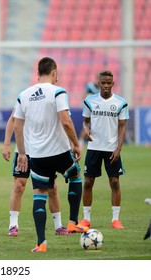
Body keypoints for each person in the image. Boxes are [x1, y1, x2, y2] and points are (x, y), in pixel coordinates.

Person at [13, 57, 87, 253]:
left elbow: (18, 128)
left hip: (36, 155)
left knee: (39, 194)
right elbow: (66, 121)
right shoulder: (58, 91)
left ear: (38, 74)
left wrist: (22, 153)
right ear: (54, 73)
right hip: (59, 151)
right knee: (75, 175)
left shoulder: (23, 95)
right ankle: (72, 222)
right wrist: (76, 144)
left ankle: (41, 243)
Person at [2, 108, 70, 237]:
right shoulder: (24, 98)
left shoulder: (49, 100)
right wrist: (6, 143)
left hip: (43, 150)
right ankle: (13, 225)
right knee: (18, 186)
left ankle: (58, 226)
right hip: (23, 149)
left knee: (52, 188)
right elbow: (13, 119)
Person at [79, 70, 129, 229]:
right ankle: (86, 219)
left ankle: (115, 220)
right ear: (98, 83)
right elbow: (86, 122)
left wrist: (118, 148)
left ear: (113, 84)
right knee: (88, 182)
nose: (106, 85)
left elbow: (122, 127)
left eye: (109, 83)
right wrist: (86, 130)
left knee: (114, 182)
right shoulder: (89, 101)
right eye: (103, 83)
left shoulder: (121, 103)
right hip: (94, 148)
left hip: (111, 148)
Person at [79, 75, 100, 148]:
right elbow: (84, 95)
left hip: (98, 110)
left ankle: (95, 143)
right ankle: (81, 142)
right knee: (86, 125)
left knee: (97, 126)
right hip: (90, 109)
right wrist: (86, 106)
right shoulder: (90, 86)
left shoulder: (101, 88)